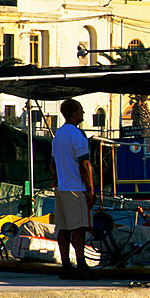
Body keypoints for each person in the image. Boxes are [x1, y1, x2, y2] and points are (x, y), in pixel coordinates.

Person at [50, 98, 96, 279]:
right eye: (81, 110)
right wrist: (90, 189)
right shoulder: (78, 136)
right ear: (74, 113)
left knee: (63, 228)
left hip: (61, 188)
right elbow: (84, 164)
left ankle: (66, 267)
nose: (83, 113)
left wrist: (58, 179)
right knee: (79, 228)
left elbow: (53, 164)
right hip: (76, 188)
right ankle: (82, 266)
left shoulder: (58, 135)